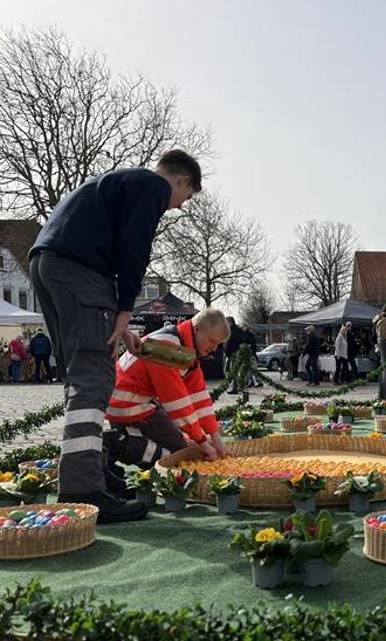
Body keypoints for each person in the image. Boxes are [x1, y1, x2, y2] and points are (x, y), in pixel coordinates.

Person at [29, 148, 202, 523]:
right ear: (182, 180)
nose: (176, 207)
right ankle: (82, 489)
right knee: (94, 376)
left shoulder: (121, 183)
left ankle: (90, 469)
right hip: (81, 271)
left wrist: (121, 330)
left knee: (79, 375)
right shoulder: (153, 187)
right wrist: (125, 309)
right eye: (184, 198)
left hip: (48, 263)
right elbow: (133, 248)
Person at [104, 308, 230, 481]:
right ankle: (119, 443)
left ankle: (128, 439)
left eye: (218, 344)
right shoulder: (167, 347)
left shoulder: (183, 346)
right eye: (211, 341)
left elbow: (199, 396)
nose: (214, 349)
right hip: (127, 406)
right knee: (175, 456)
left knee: (176, 449)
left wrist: (215, 436)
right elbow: (176, 402)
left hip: (135, 404)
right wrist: (202, 441)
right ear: (197, 328)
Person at [224, 316, 246, 393]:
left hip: (234, 354)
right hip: (228, 354)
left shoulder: (237, 331)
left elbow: (240, 341)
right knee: (227, 370)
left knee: (233, 371)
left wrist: (236, 352)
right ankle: (236, 386)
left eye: (227, 322)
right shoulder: (229, 330)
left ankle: (235, 387)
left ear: (231, 322)